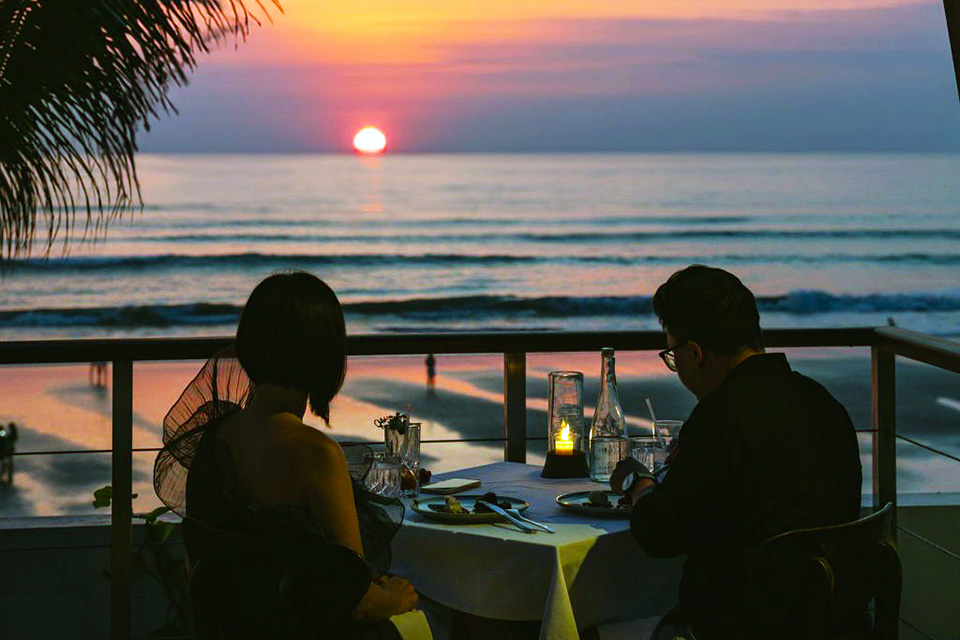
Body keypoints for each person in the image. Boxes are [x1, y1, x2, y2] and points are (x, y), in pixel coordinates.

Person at [154, 272, 426, 637]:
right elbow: (357, 601)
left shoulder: (216, 439)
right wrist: (396, 597)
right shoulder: (316, 455)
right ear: (326, 356)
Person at [622, 265, 862, 640]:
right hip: (835, 619)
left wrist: (641, 485)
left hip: (740, 626)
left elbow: (660, 535)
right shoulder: (821, 401)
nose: (677, 367)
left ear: (695, 353)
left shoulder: (720, 418)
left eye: (673, 356)